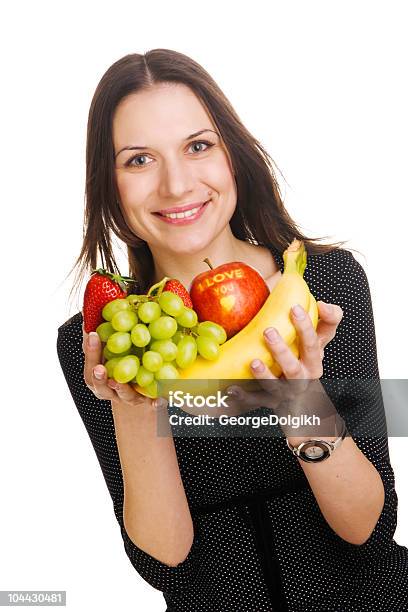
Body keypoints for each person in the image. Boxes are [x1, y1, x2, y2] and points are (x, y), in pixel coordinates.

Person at [56, 49, 408, 612]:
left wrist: (301, 406)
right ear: (110, 184)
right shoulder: (112, 340)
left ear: (232, 158)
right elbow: (166, 559)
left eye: (198, 147)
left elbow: (368, 529)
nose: (176, 184)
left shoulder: (322, 287)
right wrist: (134, 407)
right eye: (139, 159)